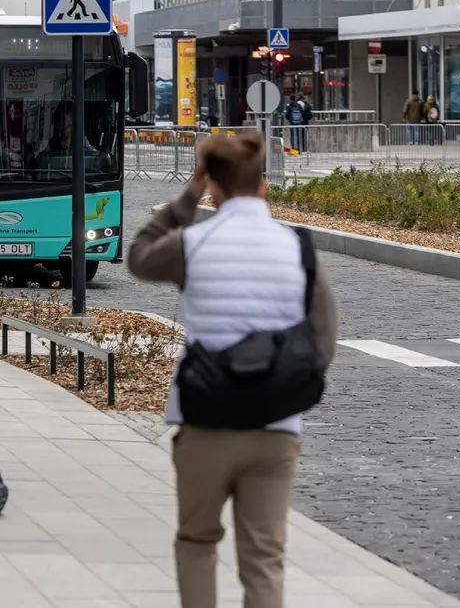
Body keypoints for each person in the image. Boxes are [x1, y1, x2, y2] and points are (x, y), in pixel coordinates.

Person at [127, 132, 338, 608]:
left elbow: (138, 257)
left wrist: (185, 197)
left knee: (197, 541)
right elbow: (324, 339)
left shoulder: (193, 244)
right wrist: (282, 386)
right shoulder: (299, 250)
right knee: (264, 558)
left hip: (205, 422)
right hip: (275, 428)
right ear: (263, 184)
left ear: (211, 186)